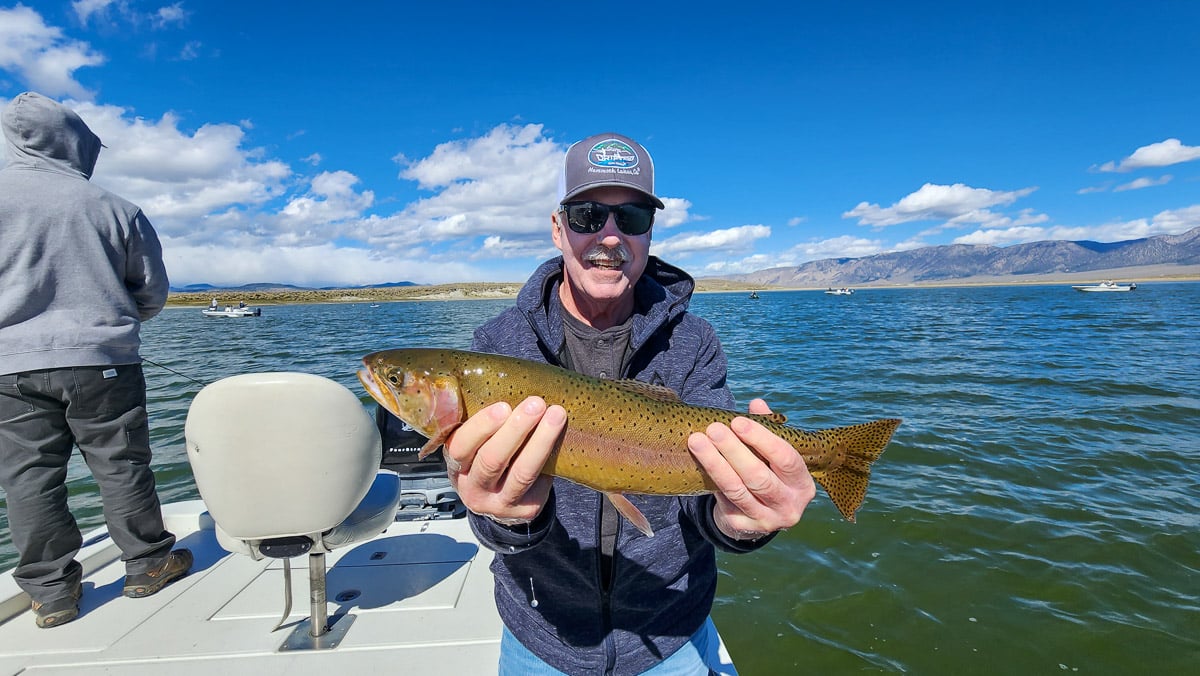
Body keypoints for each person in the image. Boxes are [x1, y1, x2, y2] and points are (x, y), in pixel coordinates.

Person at [444, 132, 816, 674]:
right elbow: (491, 515)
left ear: (650, 230)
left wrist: (745, 523)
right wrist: (505, 517)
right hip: (541, 637)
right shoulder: (499, 346)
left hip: (670, 634)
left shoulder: (694, 342)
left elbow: (703, 506)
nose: (611, 237)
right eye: (589, 216)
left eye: (633, 217)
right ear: (558, 227)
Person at [0, 92, 192, 629]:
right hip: (104, 361)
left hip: (7, 367)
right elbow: (151, 293)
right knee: (121, 463)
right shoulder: (115, 209)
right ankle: (148, 565)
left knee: (28, 477)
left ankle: (52, 593)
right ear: (77, 144)